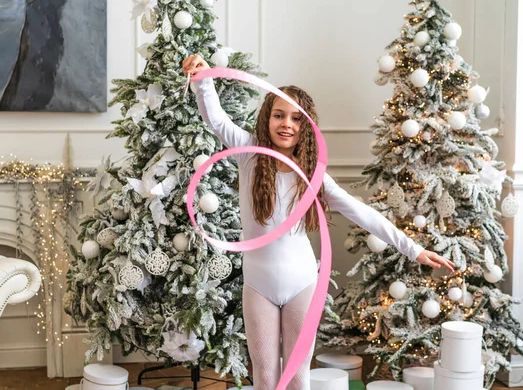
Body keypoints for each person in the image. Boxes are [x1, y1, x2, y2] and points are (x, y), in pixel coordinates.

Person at [182, 54, 455, 390]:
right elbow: (217, 119)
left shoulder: (313, 176)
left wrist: (413, 249)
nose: (287, 124)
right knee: (265, 378)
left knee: (298, 377)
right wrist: (203, 79)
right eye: (279, 115)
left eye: (297, 118)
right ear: (266, 118)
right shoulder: (249, 153)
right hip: (258, 285)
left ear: (306, 126)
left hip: (301, 286)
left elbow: (360, 210)